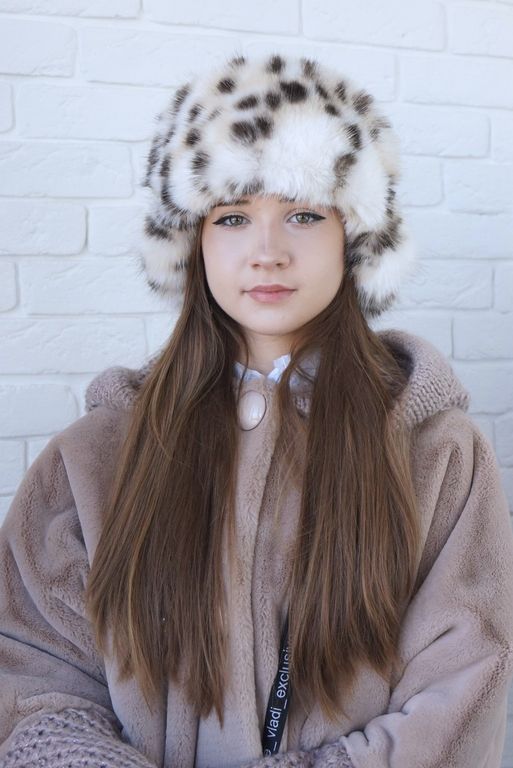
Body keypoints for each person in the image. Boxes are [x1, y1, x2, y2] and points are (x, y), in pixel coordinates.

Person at [1, 50, 513, 768]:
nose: (267, 251)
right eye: (234, 216)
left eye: (303, 214)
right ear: (192, 242)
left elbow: (462, 687)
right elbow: (32, 673)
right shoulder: (96, 454)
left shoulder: (435, 451)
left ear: (353, 238)